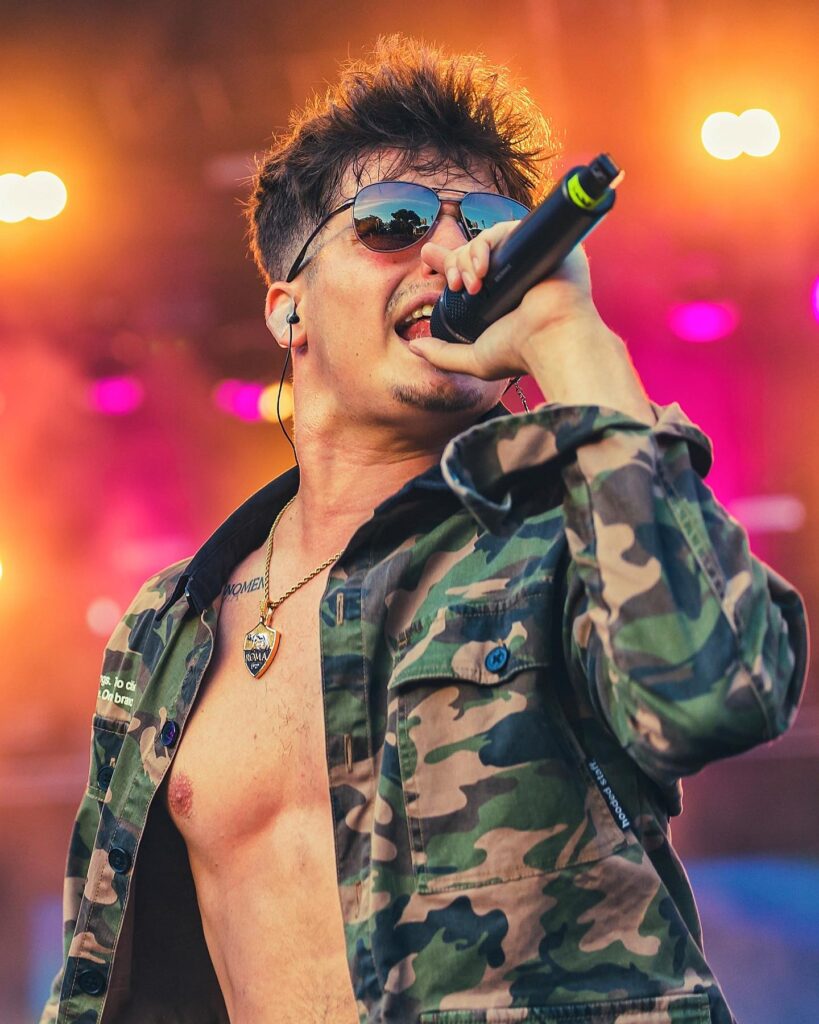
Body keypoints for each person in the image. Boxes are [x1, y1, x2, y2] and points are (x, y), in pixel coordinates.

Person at [41, 34, 807, 1024]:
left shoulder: (570, 530)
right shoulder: (167, 623)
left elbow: (720, 695)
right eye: (392, 223)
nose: (450, 256)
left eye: (484, 224)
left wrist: (568, 336)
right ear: (287, 310)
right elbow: (97, 976)